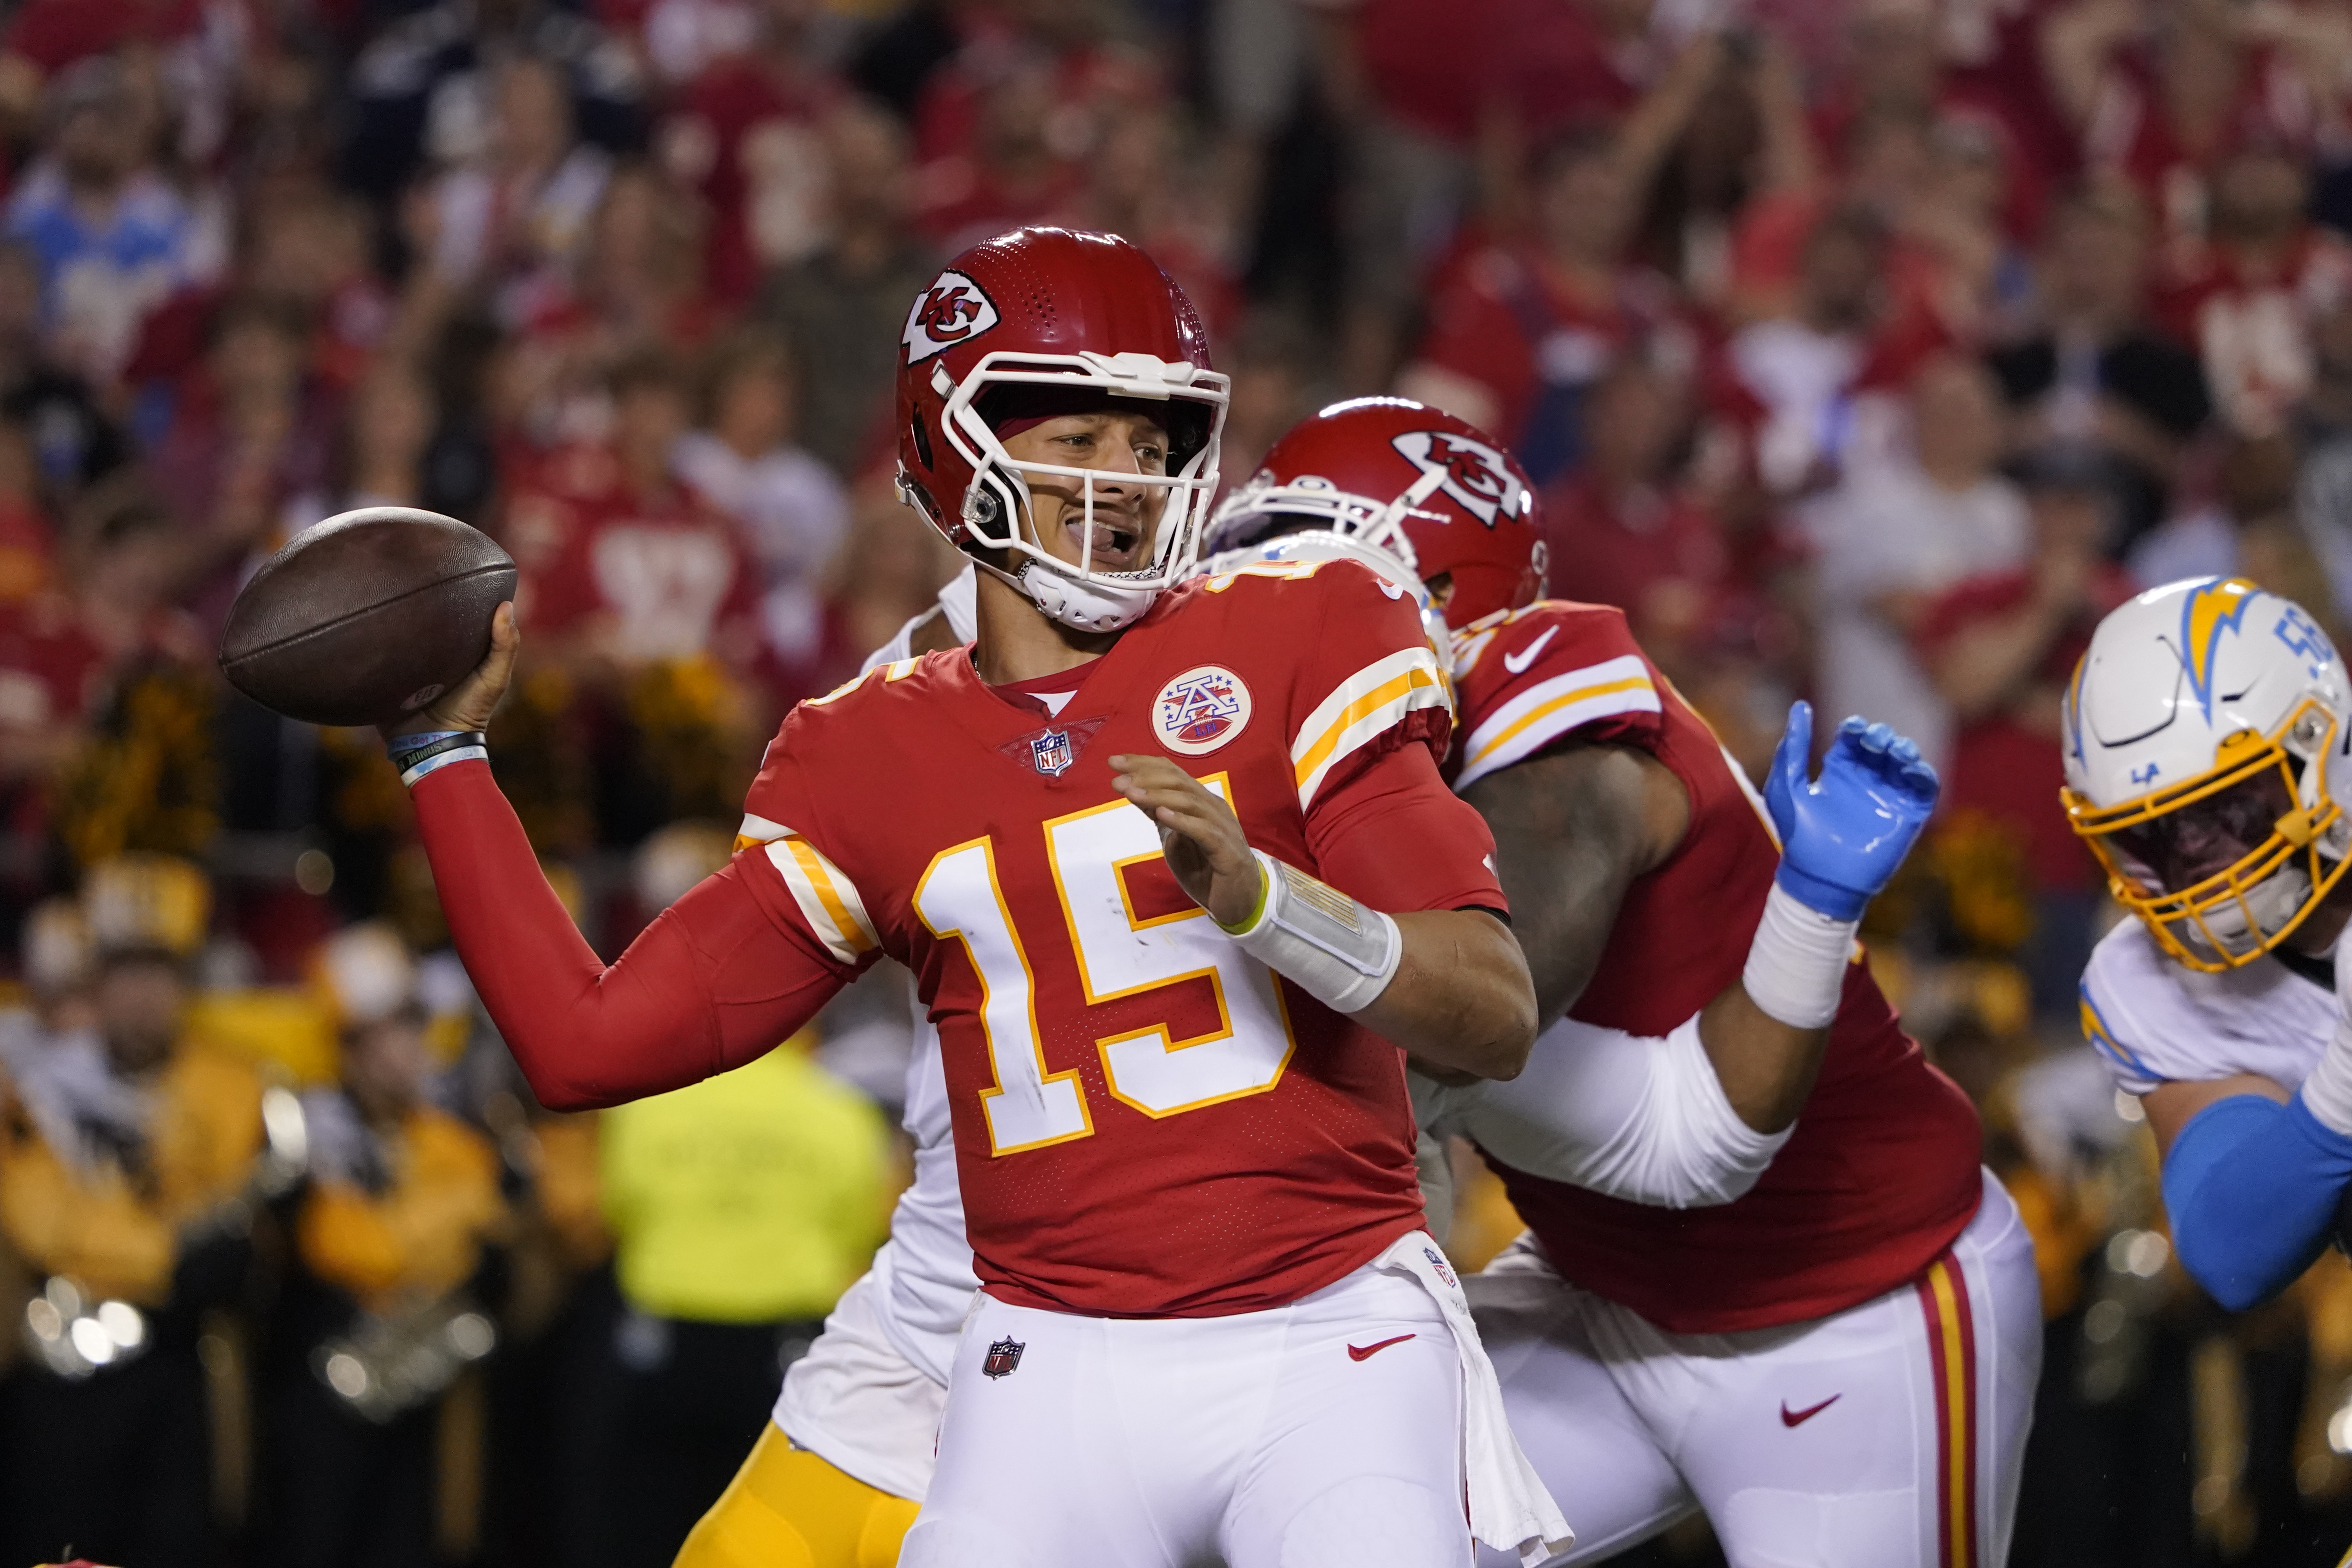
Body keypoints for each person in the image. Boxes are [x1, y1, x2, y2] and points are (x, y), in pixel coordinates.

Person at [386, 226, 1565, 1568]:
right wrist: (443, 757)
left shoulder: (1304, 622)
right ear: (961, 443)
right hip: (1042, 1354)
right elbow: (584, 1041)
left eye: (1154, 441)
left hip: (1325, 1327)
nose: (1130, 480)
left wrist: (1262, 902)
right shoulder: (867, 742)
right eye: (1088, 434)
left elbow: (1489, 1009)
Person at [1206, 396, 2042, 1568]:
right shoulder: (1316, 778)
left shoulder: (1545, 704)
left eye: (1296, 567)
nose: (1253, 609)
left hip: (1850, 1301)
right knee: (1286, 1518)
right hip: (1600, 1285)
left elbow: (1486, 1016)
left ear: (1437, 605)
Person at [2067, 575, 2352, 1314]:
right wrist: (2346, 1079)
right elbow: (2231, 1253)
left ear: (2322, 747)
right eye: (2153, 832)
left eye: (2229, 807)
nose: (2198, 854)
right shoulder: (2143, 982)